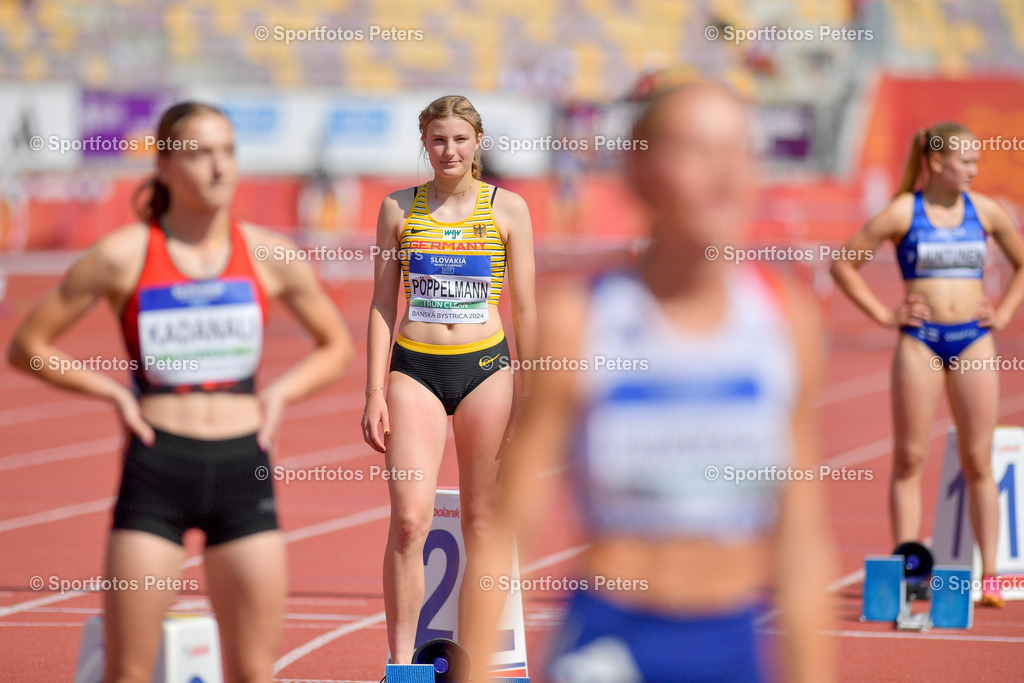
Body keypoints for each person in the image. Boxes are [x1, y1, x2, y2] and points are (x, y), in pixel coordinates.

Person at [468, 81, 834, 682]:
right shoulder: (580, 320)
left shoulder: (783, 318)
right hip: (613, 646)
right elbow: (508, 531)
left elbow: (801, 542)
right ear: (639, 173)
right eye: (696, 150)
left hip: (731, 649)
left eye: (740, 150)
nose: (724, 172)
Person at [8, 102, 354, 682]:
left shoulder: (268, 254)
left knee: (253, 671)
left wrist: (278, 396)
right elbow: (28, 346)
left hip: (244, 469)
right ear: (165, 166)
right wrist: (114, 394)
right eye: (200, 153)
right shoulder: (123, 255)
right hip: (158, 469)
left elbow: (336, 346)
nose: (219, 167)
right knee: (129, 672)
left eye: (228, 151)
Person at [361, 95, 537, 667]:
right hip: (416, 369)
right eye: (438, 139)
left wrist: (531, 393)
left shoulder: (508, 209)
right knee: (410, 520)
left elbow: (526, 309)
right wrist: (374, 391)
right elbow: (382, 304)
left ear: (477, 142)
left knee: (484, 524)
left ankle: (475, 667)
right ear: (424, 143)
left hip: (486, 369)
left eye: (460, 139)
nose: (449, 150)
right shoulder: (397, 208)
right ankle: (401, 668)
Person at [831, 123, 1024, 608]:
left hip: (973, 341)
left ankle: (992, 578)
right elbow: (843, 264)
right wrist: (884, 314)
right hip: (919, 343)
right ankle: (910, 573)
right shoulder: (903, 211)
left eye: (977, 161)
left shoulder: (985, 210)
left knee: (979, 460)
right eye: (966, 161)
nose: (975, 169)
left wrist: (1003, 312)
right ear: (937, 162)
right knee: (909, 459)